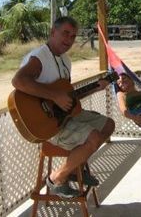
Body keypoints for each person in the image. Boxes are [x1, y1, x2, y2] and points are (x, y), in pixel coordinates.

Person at [12, 16, 115, 198]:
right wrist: (54, 96)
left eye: (73, 36)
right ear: (53, 32)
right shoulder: (39, 57)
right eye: (65, 33)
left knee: (108, 124)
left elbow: (66, 96)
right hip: (48, 124)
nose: (69, 40)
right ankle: (57, 178)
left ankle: (76, 169)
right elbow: (18, 81)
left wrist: (96, 87)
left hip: (64, 117)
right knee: (93, 137)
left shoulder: (66, 60)